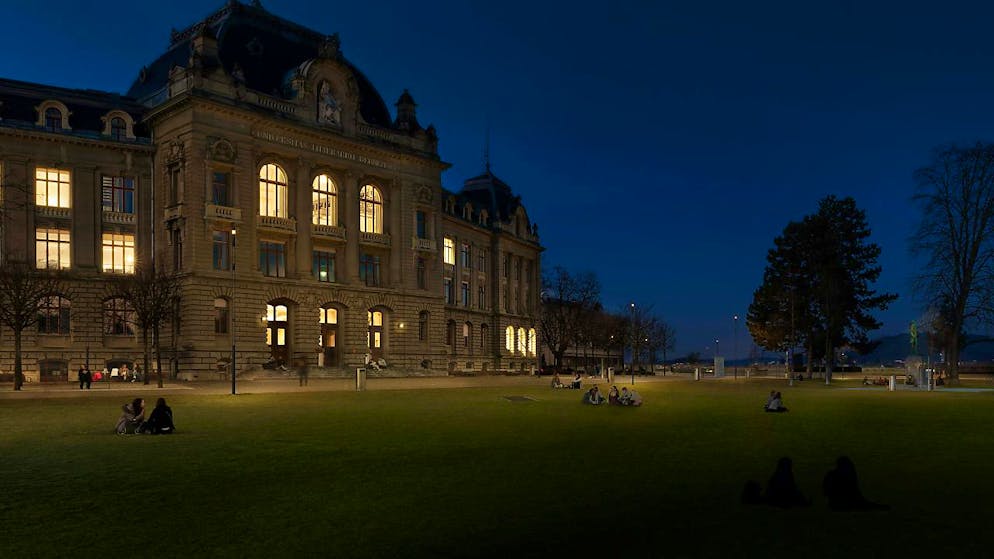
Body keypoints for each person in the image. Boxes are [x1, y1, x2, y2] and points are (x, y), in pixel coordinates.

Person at [822, 456, 888, 511]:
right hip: (841, 504)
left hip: (836, 504)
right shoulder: (837, 476)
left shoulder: (832, 475)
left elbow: (826, 492)